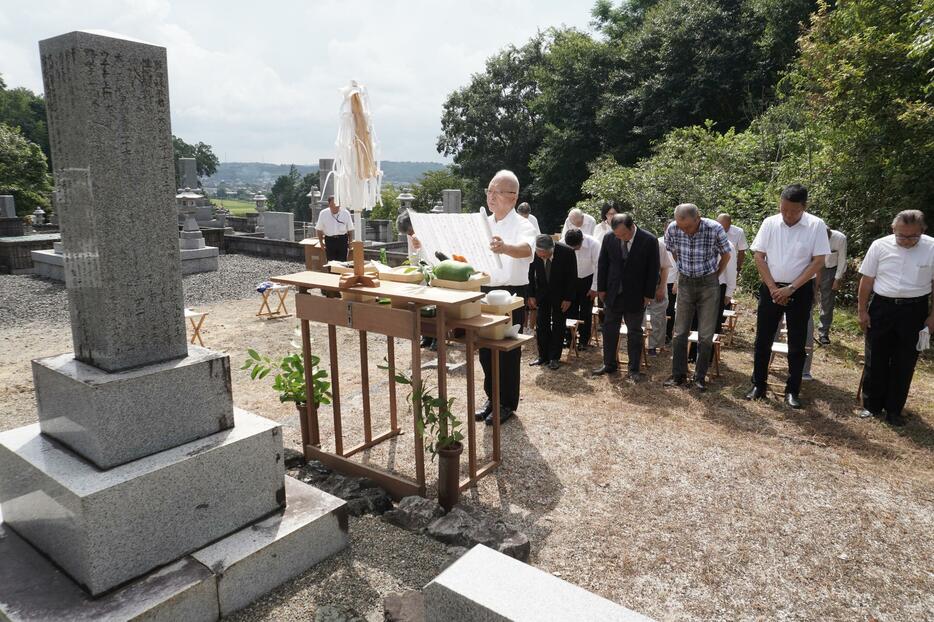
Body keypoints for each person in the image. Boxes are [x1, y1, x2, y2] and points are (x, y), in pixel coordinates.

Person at [745, 184, 830, 408]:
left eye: (793, 211)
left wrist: (791, 288)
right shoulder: (770, 223)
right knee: (763, 338)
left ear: (804, 207)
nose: (788, 214)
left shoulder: (815, 225)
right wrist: (773, 287)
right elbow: (759, 256)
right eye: (784, 209)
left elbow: (818, 261)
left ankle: (792, 390)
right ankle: (758, 384)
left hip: (799, 290)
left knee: (797, 341)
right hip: (770, 287)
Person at [857, 210, 934, 426]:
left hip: (914, 310)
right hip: (882, 307)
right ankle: (872, 406)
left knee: (905, 361)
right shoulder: (880, 245)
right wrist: (862, 310)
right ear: (893, 229)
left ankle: (894, 410)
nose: (907, 241)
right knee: (876, 357)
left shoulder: (932, 247)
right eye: (902, 236)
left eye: (912, 236)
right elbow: (867, 280)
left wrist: (932, 316)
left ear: (922, 231)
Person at [475, 170, 537, 426]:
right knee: (485, 351)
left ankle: (507, 403)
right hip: (485, 290)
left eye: (496, 192)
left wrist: (505, 248)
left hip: (511, 293)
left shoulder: (523, 224)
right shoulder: (483, 222)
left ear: (512, 197)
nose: (491, 197)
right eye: (489, 191)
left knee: (507, 352)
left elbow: (527, 250)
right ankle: (492, 397)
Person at [664, 204, 731, 391]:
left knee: (705, 334)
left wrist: (716, 276)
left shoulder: (714, 228)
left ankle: (700, 377)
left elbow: (726, 254)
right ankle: (678, 374)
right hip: (685, 282)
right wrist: (683, 269)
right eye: (680, 226)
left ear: (698, 218)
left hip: (708, 284)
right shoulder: (673, 228)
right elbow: (673, 251)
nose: (684, 230)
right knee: (679, 332)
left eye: (688, 227)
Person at [592, 213, 660, 381]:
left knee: (635, 332)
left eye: (623, 234)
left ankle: (634, 369)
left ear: (632, 226)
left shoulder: (649, 240)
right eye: (617, 235)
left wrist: (648, 294)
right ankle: (609, 364)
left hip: (636, 294)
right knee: (609, 329)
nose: (621, 238)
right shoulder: (609, 238)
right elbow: (603, 263)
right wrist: (601, 289)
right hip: (613, 292)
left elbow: (653, 270)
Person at [528, 235, 577, 370]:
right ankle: (543, 356)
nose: (543, 257)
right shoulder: (532, 252)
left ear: (552, 248)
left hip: (561, 295)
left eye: (546, 255)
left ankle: (554, 357)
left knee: (558, 324)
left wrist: (568, 298)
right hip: (542, 294)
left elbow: (572, 276)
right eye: (540, 255)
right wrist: (531, 295)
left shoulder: (567, 252)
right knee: (541, 324)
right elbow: (530, 274)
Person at [563, 229, 600, 349]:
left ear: (582, 240)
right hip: (570, 279)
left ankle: (584, 340)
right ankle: (569, 338)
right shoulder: (563, 242)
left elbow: (598, 267)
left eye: (576, 246)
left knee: (585, 311)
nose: (574, 249)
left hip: (588, 279)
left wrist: (594, 287)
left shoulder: (594, 244)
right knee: (570, 309)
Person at [817, 226, 848, 344]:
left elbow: (842, 259)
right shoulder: (813, 236)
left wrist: (837, 279)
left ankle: (823, 333)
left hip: (830, 270)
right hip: (813, 267)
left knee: (827, 303)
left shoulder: (840, 238)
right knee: (807, 298)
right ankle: (804, 330)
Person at [645, 236, 673, 356]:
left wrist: (661, 287)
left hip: (658, 284)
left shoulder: (659, 245)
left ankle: (654, 345)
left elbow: (665, 268)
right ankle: (640, 343)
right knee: (639, 316)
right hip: (640, 285)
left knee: (658, 317)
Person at [315, 196, 354, 262]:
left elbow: (350, 229)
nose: (335, 208)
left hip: (342, 240)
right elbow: (319, 229)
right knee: (331, 261)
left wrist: (350, 242)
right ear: (329, 205)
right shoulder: (323, 213)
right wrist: (321, 242)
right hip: (330, 240)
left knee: (342, 262)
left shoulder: (345, 213)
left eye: (337, 206)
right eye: (332, 206)